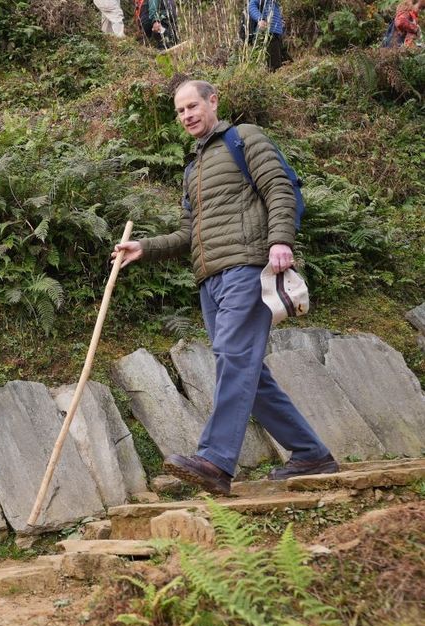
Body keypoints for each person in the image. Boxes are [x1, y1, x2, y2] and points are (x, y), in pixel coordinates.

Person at [111, 80, 339, 495]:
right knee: (248, 371)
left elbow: (279, 187)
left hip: (247, 267)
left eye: (192, 106)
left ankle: (216, 460)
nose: (187, 116)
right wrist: (144, 248)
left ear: (213, 101)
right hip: (210, 280)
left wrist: (281, 241)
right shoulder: (192, 169)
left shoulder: (245, 138)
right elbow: (187, 233)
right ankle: (311, 454)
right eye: (180, 112)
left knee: (233, 359)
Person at [246, 0, 289, 71]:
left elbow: (277, 17)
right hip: (267, 34)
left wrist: (282, 24)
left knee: (285, 61)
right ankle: (273, 78)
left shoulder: (275, 3)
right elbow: (251, 6)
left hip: (276, 35)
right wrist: (260, 19)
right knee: (275, 65)